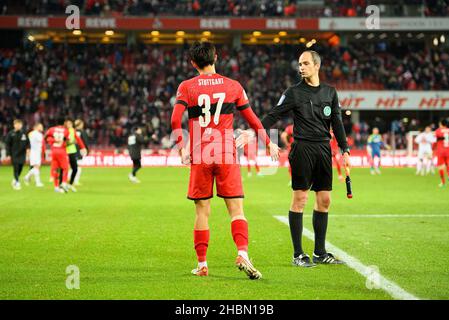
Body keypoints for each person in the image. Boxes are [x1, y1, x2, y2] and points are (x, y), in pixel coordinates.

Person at [171, 41, 279, 279]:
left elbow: (174, 120)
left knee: (202, 211)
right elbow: (252, 119)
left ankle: (202, 264)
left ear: (193, 63)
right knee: (236, 209)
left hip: (200, 153)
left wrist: (181, 148)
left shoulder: (186, 87)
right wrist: (268, 142)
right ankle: (242, 253)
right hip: (225, 152)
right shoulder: (234, 86)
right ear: (216, 58)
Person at [258, 50, 351, 267]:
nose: (301, 67)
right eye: (299, 64)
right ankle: (298, 254)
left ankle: (320, 252)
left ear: (316, 66)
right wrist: (255, 130)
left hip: (324, 149)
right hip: (302, 149)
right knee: (300, 200)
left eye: (306, 63)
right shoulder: (293, 92)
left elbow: (337, 123)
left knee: (325, 200)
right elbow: (273, 114)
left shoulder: (330, 92)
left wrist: (345, 150)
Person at [45, 118, 87, 193]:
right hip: (63, 151)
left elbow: (47, 137)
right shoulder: (65, 130)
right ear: (64, 123)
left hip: (69, 151)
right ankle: (62, 184)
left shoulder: (70, 130)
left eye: (70, 124)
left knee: (74, 168)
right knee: (63, 168)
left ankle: (67, 184)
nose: (69, 125)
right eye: (68, 123)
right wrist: (70, 142)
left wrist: (83, 147)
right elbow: (68, 140)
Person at [5, 119, 30, 190]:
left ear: (21, 125)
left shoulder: (24, 133)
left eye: (19, 124)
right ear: (14, 125)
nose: (18, 126)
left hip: (22, 154)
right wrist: (8, 154)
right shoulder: (10, 134)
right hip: (14, 154)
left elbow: (28, 143)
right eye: (16, 124)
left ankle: (15, 179)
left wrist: (28, 149)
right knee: (16, 168)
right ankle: (17, 182)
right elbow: (7, 145)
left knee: (21, 168)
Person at [24, 123, 45, 187]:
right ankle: (37, 182)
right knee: (36, 167)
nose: (42, 128)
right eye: (41, 126)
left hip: (34, 151)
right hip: (35, 152)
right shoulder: (38, 134)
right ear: (36, 127)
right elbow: (41, 141)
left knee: (36, 167)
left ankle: (27, 177)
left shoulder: (31, 133)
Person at [73, 119, 89, 186]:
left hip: (70, 150)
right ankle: (75, 180)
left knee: (72, 165)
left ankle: (69, 178)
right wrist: (87, 150)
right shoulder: (82, 132)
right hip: (79, 150)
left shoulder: (72, 131)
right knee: (78, 166)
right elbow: (85, 142)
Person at [434, 119, 449, 187]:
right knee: (447, 164)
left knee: (440, 167)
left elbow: (435, 141)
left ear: (441, 124)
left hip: (440, 151)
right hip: (448, 150)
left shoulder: (438, 131)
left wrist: (432, 149)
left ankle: (443, 183)